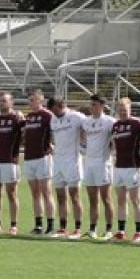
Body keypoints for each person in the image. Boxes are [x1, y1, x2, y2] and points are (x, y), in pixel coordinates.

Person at [49, 96, 86, 238]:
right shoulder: (53, 119)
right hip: (57, 161)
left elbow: (88, 126)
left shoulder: (76, 117)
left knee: (74, 196)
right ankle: (62, 228)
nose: (53, 113)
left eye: (54, 109)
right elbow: (54, 136)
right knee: (60, 196)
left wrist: (83, 143)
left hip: (73, 162)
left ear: (60, 105)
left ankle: (78, 228)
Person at [111, 97, 140, 242]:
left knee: (136, 200)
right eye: (120, 111)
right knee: (120, 200)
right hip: (119, 166)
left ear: (130, 109)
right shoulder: (116, 126)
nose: (122, 113)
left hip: (133, 167)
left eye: (125, 110)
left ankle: (138, 232)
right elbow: (113, 143)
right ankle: (121, 231)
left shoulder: (137, 123)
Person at [80, 94, 116, 240]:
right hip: (89, 163)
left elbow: (116, 140)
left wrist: (112, 152)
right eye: (91, 104)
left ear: (102, 105)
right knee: (92, 199)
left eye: (95, 104)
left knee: (106, 198)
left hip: (103, 163)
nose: (92, 107)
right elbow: (82, 136)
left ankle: (109, 229)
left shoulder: (110, 122)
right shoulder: (86, 122)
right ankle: (92, 228)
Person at [0, 92, 24, 235]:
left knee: (11, 193)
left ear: (11, 103)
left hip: (11, 161)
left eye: (4, 101)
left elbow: (25, 133)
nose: (2, 103)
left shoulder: (17, 118)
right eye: (0, 101)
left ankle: (13, 225)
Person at [23, 91, 56, 235]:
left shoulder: (48, 115)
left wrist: (53, 145)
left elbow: (56, 131)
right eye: (29, 100)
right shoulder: (28, 117)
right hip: (29, 157)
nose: (30, 103)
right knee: (35, 193)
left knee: (46, 192)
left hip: (43, 156)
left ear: (40, 100)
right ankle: (38, 224)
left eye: (33, 100)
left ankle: (50, 225)